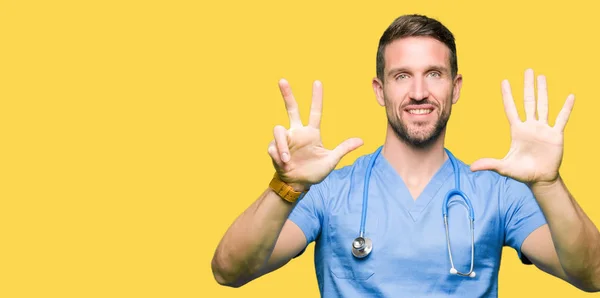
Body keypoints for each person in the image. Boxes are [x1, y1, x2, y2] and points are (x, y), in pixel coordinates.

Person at [210, 14, 600, 297]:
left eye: (434, 73)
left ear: (456, 86)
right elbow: (229, 271)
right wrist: (288, 184)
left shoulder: (497, 193)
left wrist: (548, 185)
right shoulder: (328, 191)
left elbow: (593, 276)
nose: (418, 92)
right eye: (402, 76)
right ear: (380, 91)